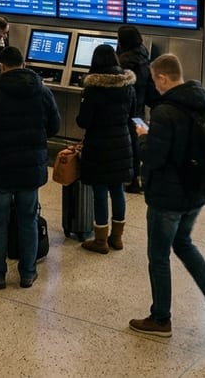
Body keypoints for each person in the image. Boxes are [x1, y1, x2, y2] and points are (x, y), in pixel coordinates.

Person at [129, 53, 205, 337]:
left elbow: (154, 157)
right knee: (184, 244)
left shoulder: (164, 112)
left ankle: (160, 318)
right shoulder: (200, 100)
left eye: (155, 80)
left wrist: (142, 136)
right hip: (196, 191)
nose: (155, 85)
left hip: (168, 196)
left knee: (159, 256)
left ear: (163, 78)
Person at [0, 46, 61, 290]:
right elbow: (55, 125)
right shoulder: (42, 91)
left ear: (1, 65)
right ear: (23, 63)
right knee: (28, 220)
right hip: (29, 169)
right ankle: (28, 273)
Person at [77, 45, 136, 254]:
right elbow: (132, 114)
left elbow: (83, 121)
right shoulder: (128, 85)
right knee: (117, 190)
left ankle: (100, 240)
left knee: (100, 192)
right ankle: (117, 238)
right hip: (122, 143)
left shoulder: (93, 89)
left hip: (99, 145)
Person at [117, 25, 155, 193]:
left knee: (130, 145)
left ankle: (131, 179)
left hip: (126, 110)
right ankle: (142, 178)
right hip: (139, 110)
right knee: (141, 143)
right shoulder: (143, 55)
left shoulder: (124, 62)